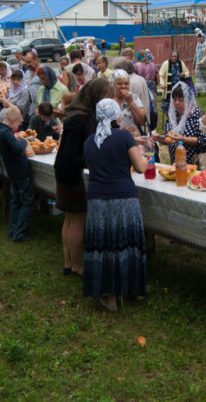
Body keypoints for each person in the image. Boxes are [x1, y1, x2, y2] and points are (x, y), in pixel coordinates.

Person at [82, 98, 149, 312]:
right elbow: (140, 168)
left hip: (97, 199)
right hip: (124, 197)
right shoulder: (124, 136)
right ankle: (135, 289)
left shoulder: (89, 141)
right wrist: (146, 157)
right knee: (127, 243)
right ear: (117, 116)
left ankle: (109, 297)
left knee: (104, 245)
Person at [54, 78, 113, 277]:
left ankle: (68, 263)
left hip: (64, 169)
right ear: (94, 95)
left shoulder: (78, 113)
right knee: (78, 218)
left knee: (70, 219)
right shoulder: (79, 118)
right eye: (105, 96)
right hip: (70, 172)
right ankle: (77, 265)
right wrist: (88, 162)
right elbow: (71, 154)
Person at [0, 107, 36, 242]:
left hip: (11, 171)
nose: (18, 126)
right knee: (27, 200)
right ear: (13, 120)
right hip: (20, 170)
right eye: (18, 123)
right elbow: (17, 149)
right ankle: (20, 232)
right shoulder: (6, 133)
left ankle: (13, 230)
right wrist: (23, 140)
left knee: (16, 200)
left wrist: (15, 138)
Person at [153, 81, 206, 165]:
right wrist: (158, 138)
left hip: (196, 166)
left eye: (180, 100)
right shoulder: (172, 118)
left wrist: (183, 139)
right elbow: (169, 139)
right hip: (176, 165)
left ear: (188, 100)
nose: (176, 103)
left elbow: (204, 141)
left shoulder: (198, 116)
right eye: (174, 99)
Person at [110, 69, 146, 136]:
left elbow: (142, 121)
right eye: (119, 84)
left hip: (133, 137)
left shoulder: (134, 97)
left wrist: (131, 102)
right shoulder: (108, 99)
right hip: (113, 137)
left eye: (126, 84)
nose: (123, 86)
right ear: (113, 84)